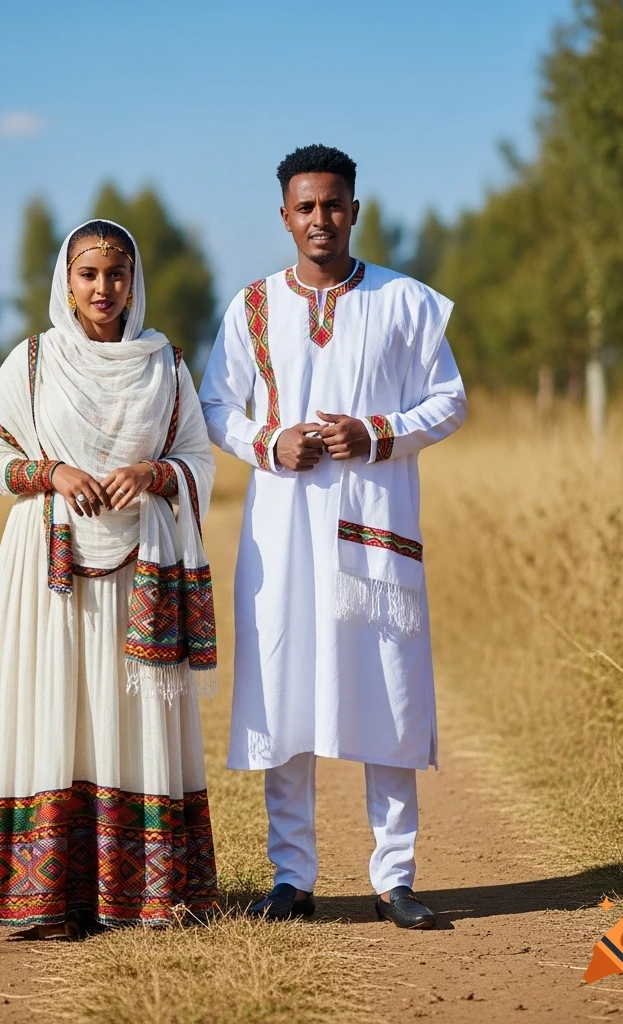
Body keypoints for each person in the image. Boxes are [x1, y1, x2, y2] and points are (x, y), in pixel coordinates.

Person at [199, 145, 466, 928]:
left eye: (334, 204)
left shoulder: (406, 301)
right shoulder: (251, 306)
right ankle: (294, 877)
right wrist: (268, 443)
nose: (321, 219)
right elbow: (218, 408)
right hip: (281, 531)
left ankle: (395, 878)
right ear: (285, 217)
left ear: (357, 208)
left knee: (386, 687)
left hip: (373, 529)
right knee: (284, 689)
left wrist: (376, 433)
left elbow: (448, 402)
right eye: (306, 207)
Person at [0, 219, 219, 939]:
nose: (103, 288)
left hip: (141, 566)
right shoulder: (35, 362)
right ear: (65, 283)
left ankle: (137, 896)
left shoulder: (165, 366)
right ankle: (51, 899)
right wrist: (53, 473)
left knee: (126, 718)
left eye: (117, 274)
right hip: (47, 570)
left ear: (135, 281)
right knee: (54, 712)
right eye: (88, 274)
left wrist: (156, 473)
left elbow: (200, 460)